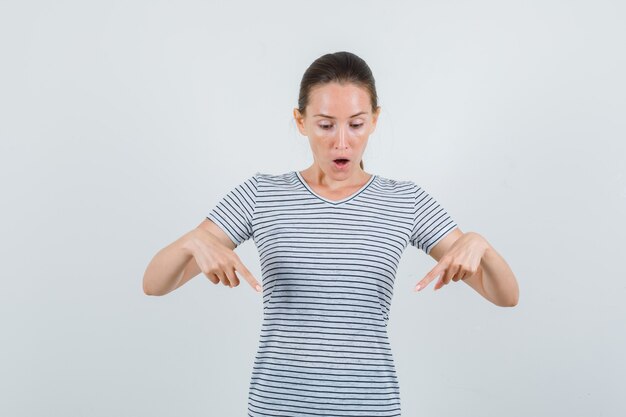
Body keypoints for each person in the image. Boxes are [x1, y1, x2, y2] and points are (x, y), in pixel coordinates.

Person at [143, 51, 519, 416]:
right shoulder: (262, 194)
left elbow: (505, 296)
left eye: (356, 124)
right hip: (277, 407)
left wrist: (479, 244)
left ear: (374, 120)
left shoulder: (405, 201)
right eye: (325, 124)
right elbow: (154, 284)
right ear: (301, 121)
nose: (342, 142)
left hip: (371, 407)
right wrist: (194, 239)